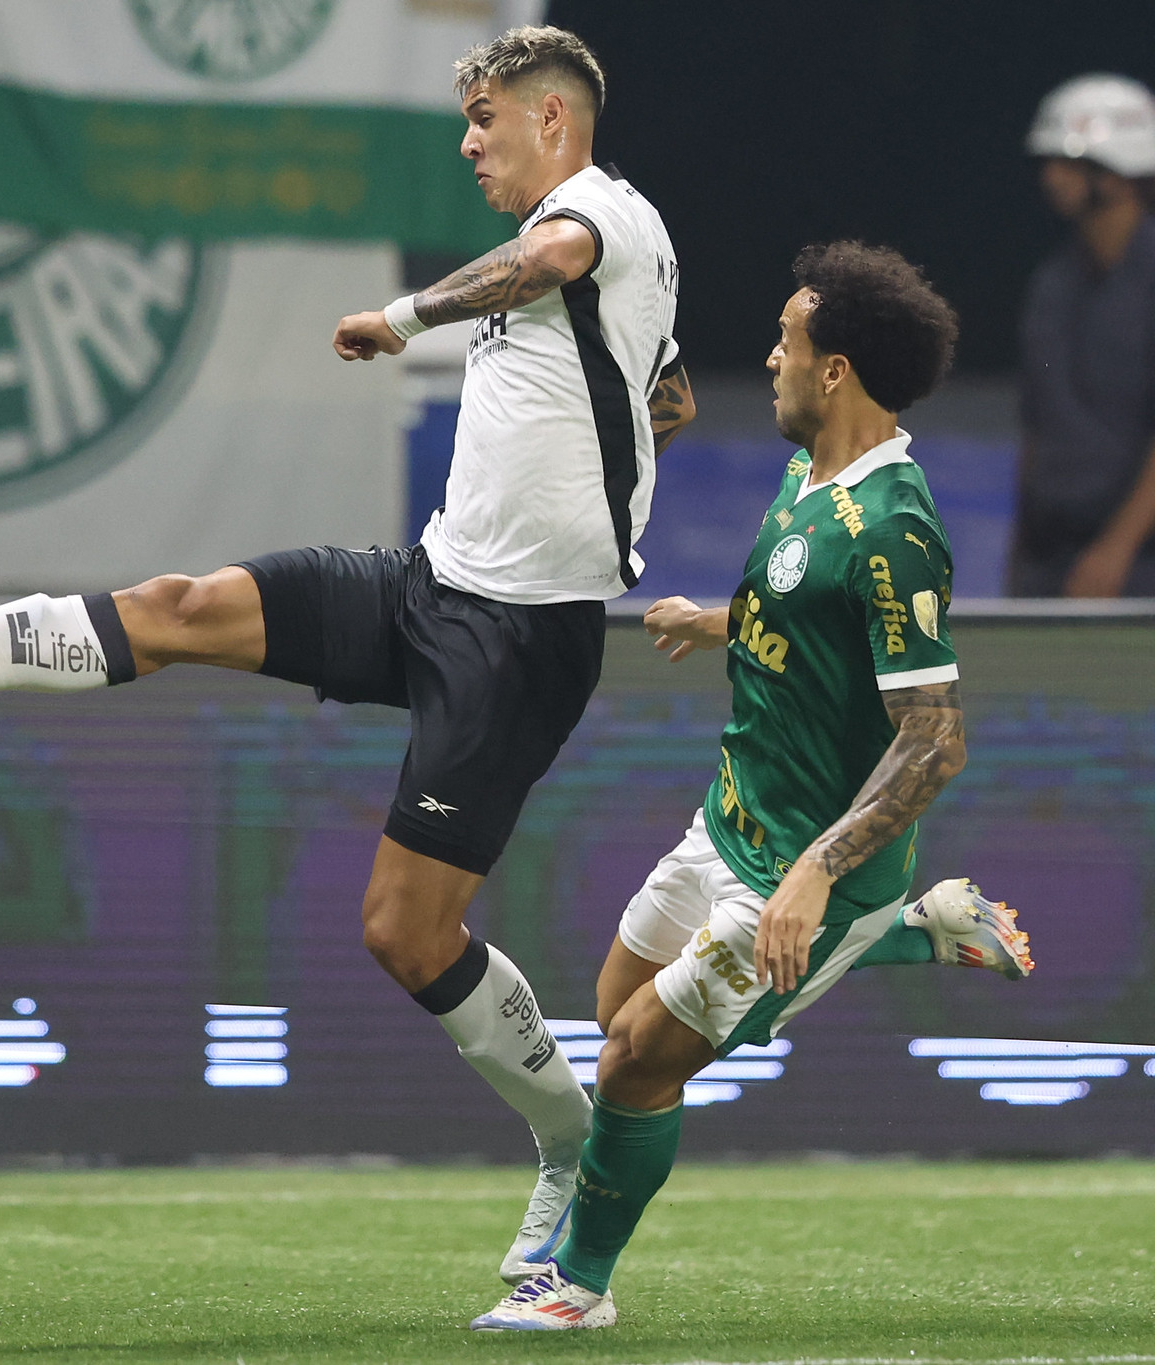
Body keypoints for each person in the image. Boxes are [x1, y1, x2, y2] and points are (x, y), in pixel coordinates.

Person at [0, 25, 693, 1291]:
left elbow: (547, 261)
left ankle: (567, 1139)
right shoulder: (607, 268)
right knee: (176, 607)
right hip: (429, 587)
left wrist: (402, 316)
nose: (468, 143)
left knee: (403, 933)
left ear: (552, 119)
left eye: (484, 119)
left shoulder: (588, 219)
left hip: (521, 642)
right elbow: (670, 396)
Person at [468, 243, 992, 1331]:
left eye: (786, 342)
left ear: (834, 369)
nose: (768, 359)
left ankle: (579, 1290)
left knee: (633, 1068)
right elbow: (811, 618)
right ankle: (916, 929)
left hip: (804, 874)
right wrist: (722, 622)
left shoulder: (893, 529)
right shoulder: (808, 467)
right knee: (614, 1021)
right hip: (727, 822)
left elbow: (933, 743)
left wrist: (811, 874)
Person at [1012, 74, 1155, 598]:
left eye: (1069, 162)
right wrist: (1020, 550)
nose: (1051, 176)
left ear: (1118, 173)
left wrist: (1115, 550)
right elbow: (1036, 426)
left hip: (1136, 565)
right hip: (1048, 555)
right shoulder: (1051, 283)